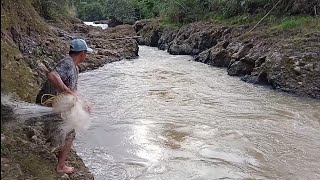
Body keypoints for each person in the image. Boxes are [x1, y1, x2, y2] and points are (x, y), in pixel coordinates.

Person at [36, 38, 93, 174]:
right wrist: (64, 90)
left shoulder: (75, 68)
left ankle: (51, 148)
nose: (86, 56)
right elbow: (52, 75)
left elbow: (73, 90)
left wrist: (84, 103)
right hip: (48, 103)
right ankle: (61, 166)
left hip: (57, 104)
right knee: (70, 133)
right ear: (82, 53)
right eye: (86, 53)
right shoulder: (67, 63)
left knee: (63, 128)